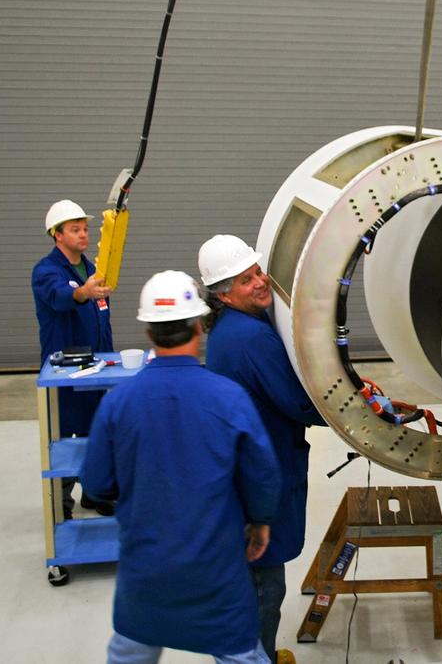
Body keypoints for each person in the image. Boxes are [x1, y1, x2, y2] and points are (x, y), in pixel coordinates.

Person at [81, 270, 281, 664]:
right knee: (240, 653)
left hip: (146, 572)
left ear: (149, 332)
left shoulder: (118, 403)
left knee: (130, 652)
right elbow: (262, 477)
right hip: (216, 569)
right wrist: (260, 523)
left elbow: (96, 483)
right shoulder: (229, 398)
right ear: (198, 326)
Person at [199, 234, 327, 664]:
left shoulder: (232, 330)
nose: (260, 282)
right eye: (246, 279)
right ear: (223, 294)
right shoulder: (252, 339)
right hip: (256, 485)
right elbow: (298, 404)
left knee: (252, 584)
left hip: (241, 476)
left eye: (257, 271)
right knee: (263, 588)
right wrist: (351, 409)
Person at [32, 199, 115, 518]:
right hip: (64, 373)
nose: (83, 235)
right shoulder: (46, 271)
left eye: (85, 229)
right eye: (75, 230)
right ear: (57, 235)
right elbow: (62, 297)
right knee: (65, 437)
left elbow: (101, 318)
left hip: (96, 369)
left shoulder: (93, 269)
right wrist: (83, 293)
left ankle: (94, 493)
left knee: (96, 432)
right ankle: (61, 503)